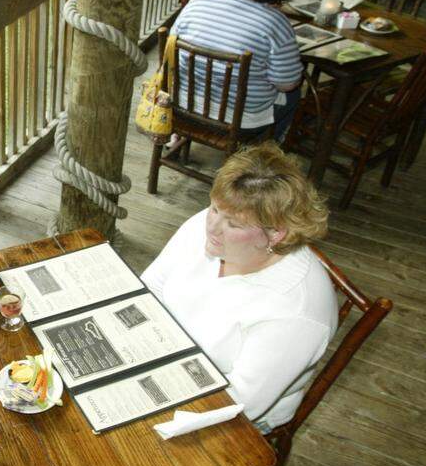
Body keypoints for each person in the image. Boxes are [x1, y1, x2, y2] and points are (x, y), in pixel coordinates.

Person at [141, 143, 338, 432]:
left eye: (233, 223)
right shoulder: (213, 224)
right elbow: (152, 285)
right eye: (214, 208)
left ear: (276, 232)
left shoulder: (296, 313)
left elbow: (238, 402)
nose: (212, 226)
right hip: (162, 359)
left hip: (226, 414)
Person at [172, 0, 304, 143]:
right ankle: (262, 151)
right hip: (241, 123)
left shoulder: (199, 0)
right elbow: (287, 84)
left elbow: (171, 49)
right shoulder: (276, 22)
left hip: (180, 106)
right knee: (294, 94)